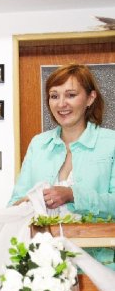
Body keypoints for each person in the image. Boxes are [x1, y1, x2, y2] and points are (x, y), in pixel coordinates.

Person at [9, 63, 115, 268]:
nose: (61, 104)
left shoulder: (111, 143)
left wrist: (73, 195)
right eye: (54, 96)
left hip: (102, 264)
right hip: (45, 266)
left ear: (90, 98)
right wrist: (28, 202)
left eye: (71, 95)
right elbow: (14, 204)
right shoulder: (38, 144)